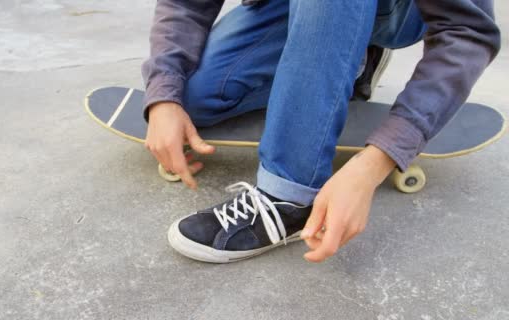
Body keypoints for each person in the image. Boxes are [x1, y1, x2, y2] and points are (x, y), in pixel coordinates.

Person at [141, 0, 500, 263]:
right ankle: (352, 61)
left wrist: (376, 161)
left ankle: (289, 196)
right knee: (196, 97)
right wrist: (163, 94)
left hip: (400, 11)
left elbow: (468, 31)